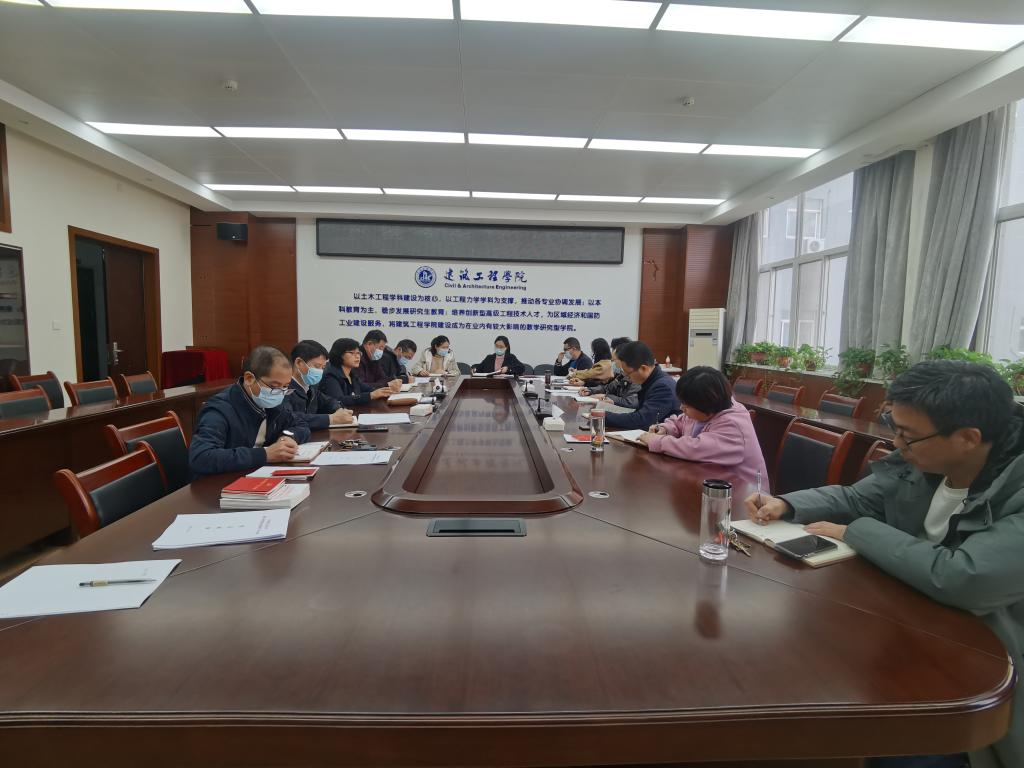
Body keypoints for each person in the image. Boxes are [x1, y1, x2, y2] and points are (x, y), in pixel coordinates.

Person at [744, 361, 1024, 768]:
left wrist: (856, 531)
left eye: (907, 435)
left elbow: (963, 578)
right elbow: (858, 498)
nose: (895, 443)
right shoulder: (926, 459)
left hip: (981, 670)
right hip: (905, 629)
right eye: (895, 428)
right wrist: (787, 504)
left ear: (968, 438)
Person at [637, 366, 768, 492]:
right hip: (710, 481)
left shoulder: (733, 424)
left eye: (686, 406)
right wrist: (665, 429)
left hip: (744, 494)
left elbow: (696, 448)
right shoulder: (703, 409)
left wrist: (658, 442)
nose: (682, 408)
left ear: (707, 406)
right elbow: (680, 422)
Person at [189, 346, 311, 477]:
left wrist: (287, 438)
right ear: (249, 378)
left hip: (257, 474)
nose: (280, 393)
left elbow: (301, 425)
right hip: (218, 482)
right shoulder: (219, 410)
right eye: (274, 386)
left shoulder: (272, 402)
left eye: (285, 386)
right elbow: (201, 457)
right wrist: (265, 454)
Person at [600, 341, 680, 431]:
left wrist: (602, 415)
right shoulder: (652, 380)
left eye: (628, 374)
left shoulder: (663, 387)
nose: (627, 378)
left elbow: (642, 421)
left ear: (643, 368)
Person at [284, 340, 354, 430]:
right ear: (298, 363)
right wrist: (330, 419)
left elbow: (328, 401)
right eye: (317, 366)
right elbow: (290, 417)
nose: (320, 371)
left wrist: (339, 409)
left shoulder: (310, 387)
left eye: (323, 367)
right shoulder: (284, 388)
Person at [321, 338, 395, 407]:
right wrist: (371, 395)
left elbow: (368, 389)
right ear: (339, 354)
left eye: (358, 353)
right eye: (352, 353)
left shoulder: (351, 374)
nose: (357, 356)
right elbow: (339, 400)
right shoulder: (331, 375)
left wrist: (387, 390)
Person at [582, 338, 641, 407]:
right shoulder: (622, 375)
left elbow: (630, 402)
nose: (613, 363)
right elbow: (608, 388)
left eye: (614, 360)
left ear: (623, 360)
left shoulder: (636, 377)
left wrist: (606, 396)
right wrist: (590, 390)